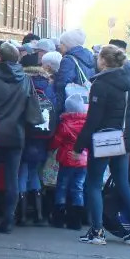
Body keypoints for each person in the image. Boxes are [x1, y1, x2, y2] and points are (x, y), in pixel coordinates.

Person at [75, 44, 130, 245]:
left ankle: (97, 231)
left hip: (105, 137)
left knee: (94, 184)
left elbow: (93, 119)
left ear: (104, 61)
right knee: (123, 183)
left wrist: (79, 146)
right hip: (124, 137)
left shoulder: (101, 84)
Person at [0, 43, 42, 232]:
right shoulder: (25, 79)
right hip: (17, 134)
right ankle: (8, 220)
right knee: (12, 179)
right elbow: (32, 108)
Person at [19, 53, 57, 224]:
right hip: (43, 135)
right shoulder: (48, 84)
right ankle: (39, 215)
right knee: (35, 172)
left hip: (25, 133)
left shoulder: (23, 82)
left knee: (22, 171)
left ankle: (22, 214)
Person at [51, 91, 89, 228]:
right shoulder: (87, 124)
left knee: (62, 186)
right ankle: (76, 221)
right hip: (83, 160)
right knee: (78, 187)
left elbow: (56, 141)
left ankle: (59, 218)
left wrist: (50, 148)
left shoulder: (65, 124)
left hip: (67, 159)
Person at [54, 28, 96, 109]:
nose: (59, 46)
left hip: (72, 104)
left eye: (62, 43)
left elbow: (61, 85)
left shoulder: (68, 60)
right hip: (85, 103)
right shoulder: (89, 57)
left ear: (68, 44)